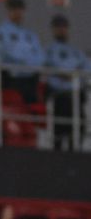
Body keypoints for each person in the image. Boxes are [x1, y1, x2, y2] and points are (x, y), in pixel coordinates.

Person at [45, 14, 89, 151]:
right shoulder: (49, 50)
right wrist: (67, 74)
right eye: (58, 27)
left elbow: (86, 68)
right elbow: (52, 68)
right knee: (59, 132)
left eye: (64, 27)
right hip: (59, 96)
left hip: (76, 95)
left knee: (78, 129)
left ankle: (75, 151)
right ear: (53, 30)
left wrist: (74, 75)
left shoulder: (76, 52)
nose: (61, 30)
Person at [0, 0, 44, 105]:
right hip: (12, 79)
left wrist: (29, 62)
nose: (17, 12)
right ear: (8, 11)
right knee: (14, 109)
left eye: (20, 9)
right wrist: (27, 60)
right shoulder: (2, 31)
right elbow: (6, 53)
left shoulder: (29, 34)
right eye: (14, 9)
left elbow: (40, 56)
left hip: (31, 79)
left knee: (31, 109)